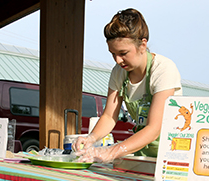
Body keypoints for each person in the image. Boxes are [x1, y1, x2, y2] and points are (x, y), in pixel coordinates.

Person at [73, 8, 182, 163]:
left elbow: (154, 128)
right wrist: (91, 138)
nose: (117, 60)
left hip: (171, 155)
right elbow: (109, 116)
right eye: (113, 54)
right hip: (142, 153)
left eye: (123, 53)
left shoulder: (163, 69)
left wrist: (111, 152)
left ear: (142, 45)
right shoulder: (119, 73)